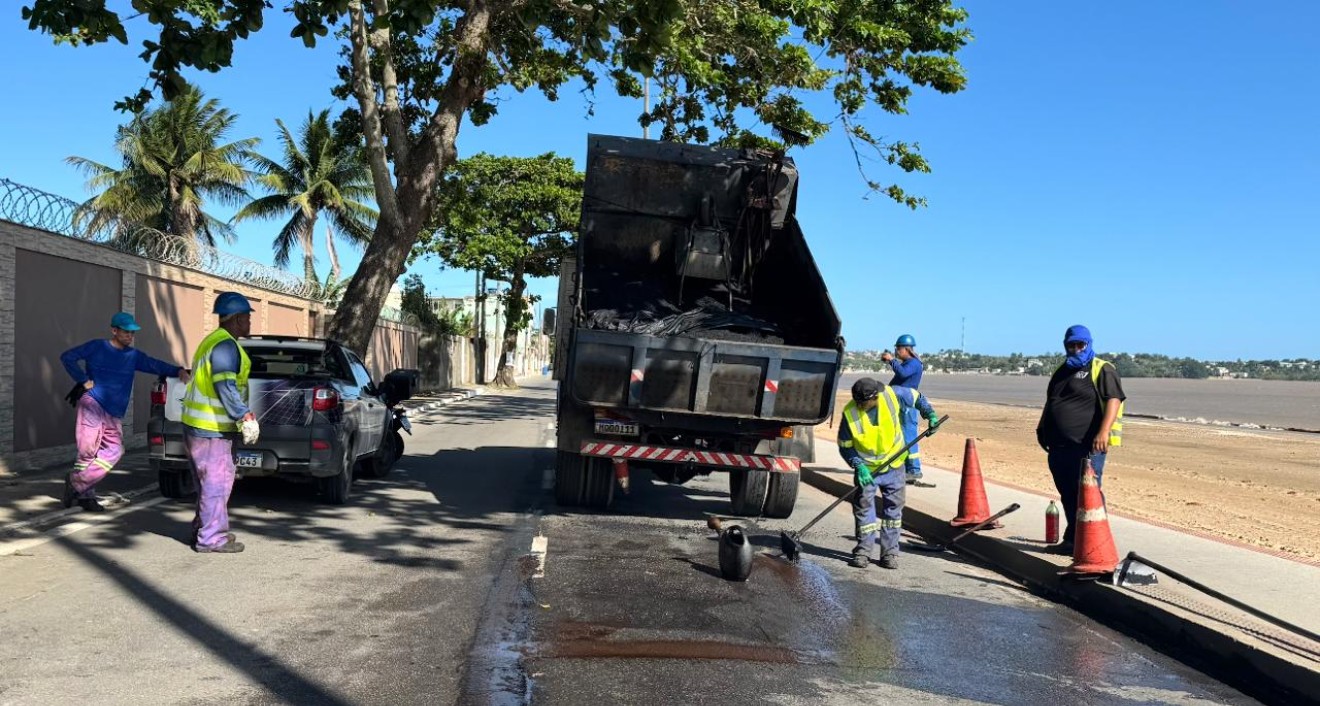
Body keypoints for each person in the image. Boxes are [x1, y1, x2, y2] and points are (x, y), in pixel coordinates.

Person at [59, 312, 190, 512]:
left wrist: (179, 370)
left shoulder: (133, 356)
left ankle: (76, 483)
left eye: (132, 333)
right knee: (87, 452)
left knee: (115, 451)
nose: (130, 336)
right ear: (114, 330)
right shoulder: (97, 347)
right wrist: (82, 379)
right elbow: (67, 357)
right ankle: (86, 496)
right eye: (126, 332)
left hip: (114, 413)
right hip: (92, 405)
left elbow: (155, 365)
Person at [1035, 325, 1126, 553]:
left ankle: (1096, 546)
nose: (1076, 349)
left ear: (1088, 344)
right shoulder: (1062, 371)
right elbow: (1052, 401)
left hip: (1087, 445)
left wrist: (1104, 432)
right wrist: (1043, 426)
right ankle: (1074, 540)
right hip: (1059, 446)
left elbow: (1114, 400)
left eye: (1080, 345)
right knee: (1068, 493)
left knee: (1089, 494)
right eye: (1071, 345)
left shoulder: (1102, 369)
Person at [182, 292, 260, 553]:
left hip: (198, 426)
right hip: (212, 429)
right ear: (237, 319)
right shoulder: (226, 345)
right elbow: (224, 384)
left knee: (207, 485)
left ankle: (203, 529)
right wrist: (243, 414)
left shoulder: (212, 341)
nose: (250, 323)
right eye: (247, 318)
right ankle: (211, 538)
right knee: (217, 483)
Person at [838, 377, 941, 570]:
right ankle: (863, 552)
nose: (861, 406)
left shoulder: (892, 395)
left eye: (864, 402)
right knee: (863, 510)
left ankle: (889, 554)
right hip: (867, 471)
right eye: (858, 402)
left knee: (893, 511)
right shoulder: (850, 413)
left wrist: (930, 415)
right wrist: (857, 465)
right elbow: (845, 446)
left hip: (894, 465)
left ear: (875, 397)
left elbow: (917, 397)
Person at [881, 334, 927, 485]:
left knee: (908, 436)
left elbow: (902, 373)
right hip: (900, 403)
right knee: (900, 436)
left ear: (907, 349)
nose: (896, 351)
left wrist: (891, 361)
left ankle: (914, 470)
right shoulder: (908, 363)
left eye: (898, 348)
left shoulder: (913, 363)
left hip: (908, 404)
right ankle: (906, 469)